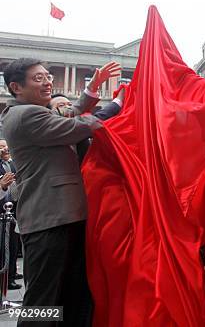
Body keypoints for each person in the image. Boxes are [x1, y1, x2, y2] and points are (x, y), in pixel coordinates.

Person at [1, 58, 120, 327]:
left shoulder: (35, 112)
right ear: (16, 87)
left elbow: (72, 112)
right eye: (38, 79)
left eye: (48, 77)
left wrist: (93, 88)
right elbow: (78, 126)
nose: (48, 82)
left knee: (71, 293)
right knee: (43, 300)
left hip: (66, 216)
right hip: (49, 219)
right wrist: (120, 104)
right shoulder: (26, 115)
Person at [0, 139, 21, 289]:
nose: (5, 149)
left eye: (6, 146)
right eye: (1, 147)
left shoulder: (12, 164)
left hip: (13, 211)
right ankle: (5, 279)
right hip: (2, 215)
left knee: (13, 245)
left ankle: (11, 274)